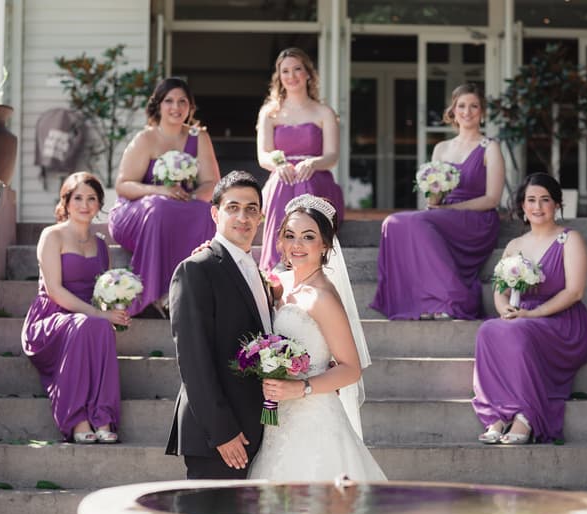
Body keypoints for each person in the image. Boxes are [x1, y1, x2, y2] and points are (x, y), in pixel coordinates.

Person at [248, 194, 386, 482]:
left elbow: (350, 368)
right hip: (277, 417)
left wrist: (301, 389)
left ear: (324, 244)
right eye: (290, 235)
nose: (297, 245)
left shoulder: (322, 298)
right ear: (281, 241)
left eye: (308, 237)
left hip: (312, 417)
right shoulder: (278, 282)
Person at [472, 172, 587, 445]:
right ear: (523, 207)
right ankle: (498, 414)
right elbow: (499, 290)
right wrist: (504, 310)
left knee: (519, 332)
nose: (538, 207)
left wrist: (532, 314)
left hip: (562, 321)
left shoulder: (570, 239)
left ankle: (526, 417)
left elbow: (575, 291)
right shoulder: (515, 245)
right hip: (522, 316)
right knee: (488, 330)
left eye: (545, 200)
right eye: (531, 200)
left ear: (557, 205)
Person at [165, 170, 269, 480]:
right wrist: (222, 432)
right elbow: (193, 360)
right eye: (232, 207)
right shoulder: (196, 269)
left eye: (251, 208)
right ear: (215, 213)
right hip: (219, 437)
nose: (243, 216)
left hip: (255, 429)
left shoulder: (259, 275)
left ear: (261, 216)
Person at [371, 83, 505, 320]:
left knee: (416, 223)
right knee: (393, 223)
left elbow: (492, 199)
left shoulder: (490, 148)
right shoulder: (441, 148)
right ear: (452, 111)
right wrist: (435, 201)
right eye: (461, 106)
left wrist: (450, 208)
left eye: (474, 106)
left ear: (482, 111)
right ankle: (422, 300)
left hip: (476, 219)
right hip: (443, 214)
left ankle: (454, 298)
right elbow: (433, 193)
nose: (467, 111)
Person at [21, 172, 129, 444]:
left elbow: (103, 290)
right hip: (52, 317)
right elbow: (55, 291)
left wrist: (115, 309)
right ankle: (77, 418)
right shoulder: (52, 236)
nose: (85, 204)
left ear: (99, 204)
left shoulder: (102, 245)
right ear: (66, 202)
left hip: (89, 317)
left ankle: (103, 417)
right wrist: (97, 313)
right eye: (78, 198)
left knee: (101, 327)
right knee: (86, 324)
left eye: (91, 198)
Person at [109, 77, 221, 317]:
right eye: (169, 101)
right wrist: (160, 190)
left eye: (183, 101)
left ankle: (191, 290)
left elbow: (211, 183)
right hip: (139, 210)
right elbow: (123, 186)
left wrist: (188, 200)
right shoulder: (145, 139)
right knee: (160, 207)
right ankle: (155, 293)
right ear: (158, 105)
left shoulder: (198, 137)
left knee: (205, 212)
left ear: (190, 107)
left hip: (181, 205)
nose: (176, 107)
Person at [256, 47, 345, 273]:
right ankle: (276, 264)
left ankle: (311, 261)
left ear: (308, 74)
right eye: (285, 71)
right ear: (279, 76)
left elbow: (332, 156)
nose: (291, 76)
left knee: (305, 182)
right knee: (281, 180)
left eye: (297, 69)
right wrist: (279, 165)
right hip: (283, 177)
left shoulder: (323, 112)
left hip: (317, 178)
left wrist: (313, 163)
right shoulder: (270, 112)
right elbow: (263, 156)